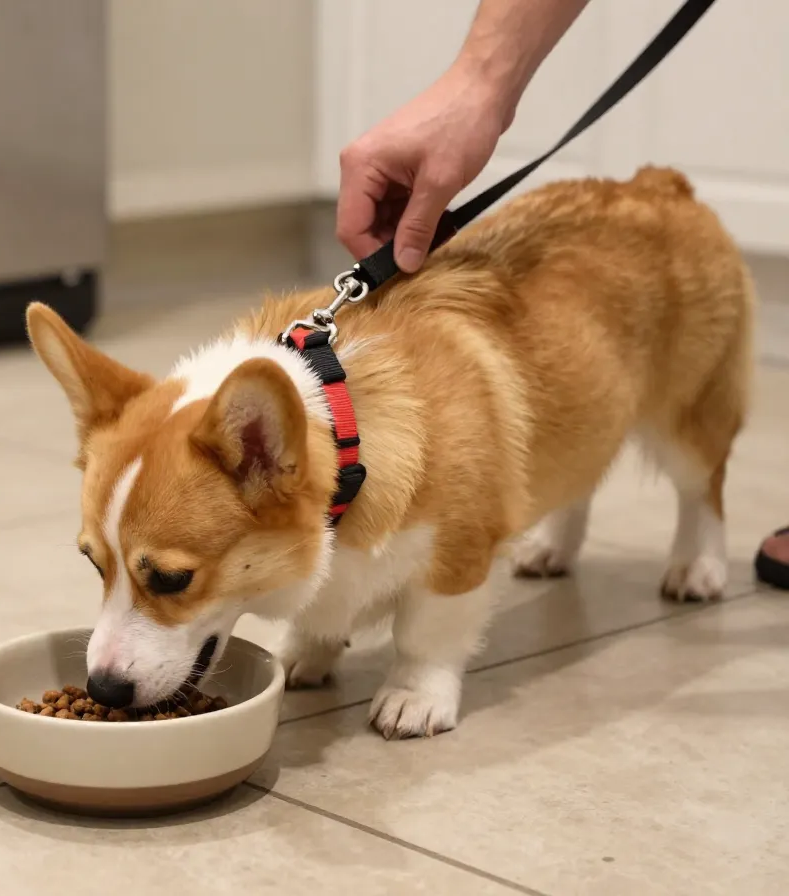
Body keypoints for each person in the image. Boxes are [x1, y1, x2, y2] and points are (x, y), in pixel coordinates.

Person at [335, 0, 788, 591]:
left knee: (690, 437)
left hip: (667, 267)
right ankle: (569, 520)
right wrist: (480, 84)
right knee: (571, 396)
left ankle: (704, 518)